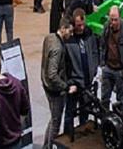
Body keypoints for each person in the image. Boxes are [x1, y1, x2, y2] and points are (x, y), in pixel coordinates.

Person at [64, 9, 100, 139]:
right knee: (70, 111)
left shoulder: (89, 34)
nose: (82, 27)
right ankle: (67, 136)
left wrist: (94, 69)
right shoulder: (69, 39)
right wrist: (70, 82)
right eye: (79, 25)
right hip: (74, 83)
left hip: (87, 81)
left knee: (85, 110)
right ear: (74, 24)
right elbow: (65, 64)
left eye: (83, 24)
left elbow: (95, 52)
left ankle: (83, 134)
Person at [42, 20, 75, 149]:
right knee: (56, 123)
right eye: (70, 31)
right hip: (55, 91)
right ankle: (49, 146)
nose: (71, 34)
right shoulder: (57, 48)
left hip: (46, 85)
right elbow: (52, 74)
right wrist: (66, 86)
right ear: (63, 28)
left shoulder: (49, 37)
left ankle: (46, 146)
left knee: (53, 119)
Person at [100, 6, 123, 114]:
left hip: (120, 70)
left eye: (115, 19)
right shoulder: (106, 27)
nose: (113, 22)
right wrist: (103, 64)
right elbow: (102, 45)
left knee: (121, 101)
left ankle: (120, 119)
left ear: (120, 18)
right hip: (108, 68)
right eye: (111, 19)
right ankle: (105, 119)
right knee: (104, 99)